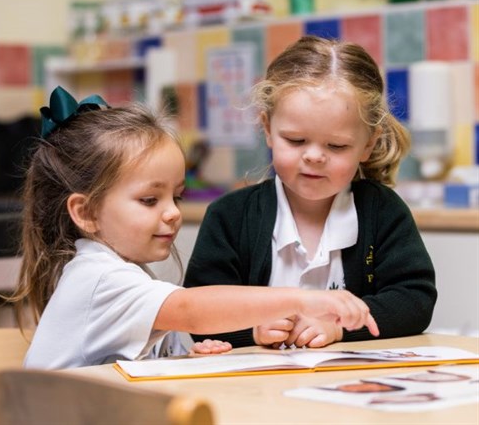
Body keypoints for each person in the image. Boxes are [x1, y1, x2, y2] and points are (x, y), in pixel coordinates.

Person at [9, 86, 378, 370]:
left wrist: (188, 358)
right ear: (86, 212)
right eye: (150, 201)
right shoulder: (98, 279)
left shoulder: (127, 274)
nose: (172, 213)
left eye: (177, 197)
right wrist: (304, 298)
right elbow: (189, 307)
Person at [184, 35, 437, 349]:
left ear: (368, 144)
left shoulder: (382, 211)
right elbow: (199, 311)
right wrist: (251, 331)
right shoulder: (230, 217)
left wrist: (339, 328)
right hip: (257, 391)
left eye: (336, 146)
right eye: (296, 140)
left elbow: (414, 300)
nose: (314, 156)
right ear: (267, 129)